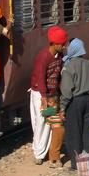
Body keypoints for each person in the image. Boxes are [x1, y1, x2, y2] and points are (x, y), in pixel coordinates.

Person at [30, 26, 68, 165]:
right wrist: (44, 98)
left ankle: (43, 151)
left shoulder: (60, 57)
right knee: (41, 122)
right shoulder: (43, 57)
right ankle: (38, 153)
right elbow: (40, 78)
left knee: (48, 123)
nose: (65, 47)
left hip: (52, 94)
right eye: (63, 44)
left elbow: (58, 76)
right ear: (56, 44)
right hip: (41, 94)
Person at [60, 38, 89, 170]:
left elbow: (66, 90)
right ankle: (88, 159)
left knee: (74, 132)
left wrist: (63, 107)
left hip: (75, 102)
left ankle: (76, 163)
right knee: (87, 131)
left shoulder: (69, 66)